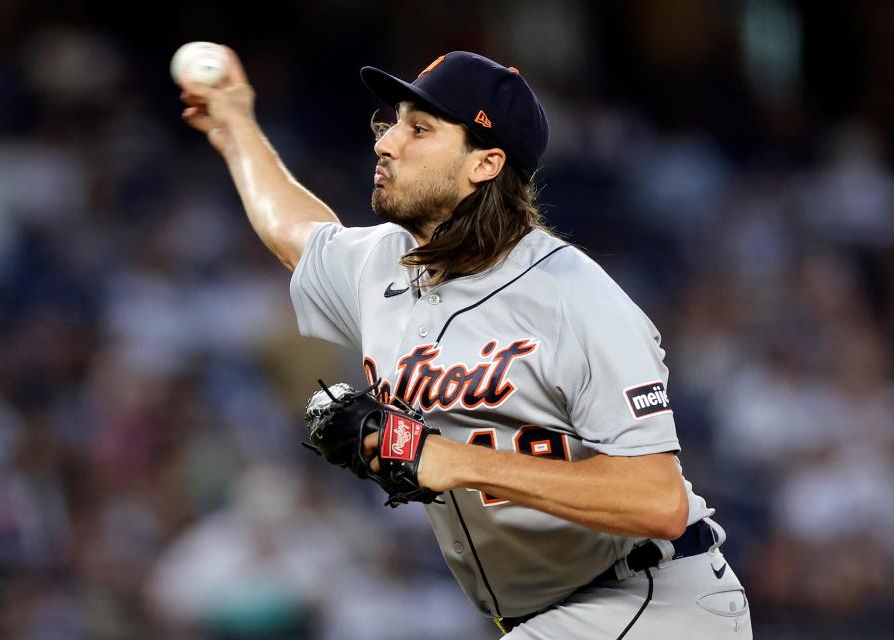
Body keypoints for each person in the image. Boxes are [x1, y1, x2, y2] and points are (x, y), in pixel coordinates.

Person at [179, 48, 753, 638]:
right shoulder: (384, 266)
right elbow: (294, 231)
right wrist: (236, 127)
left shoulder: (572, 297)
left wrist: (448, 459)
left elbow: (657, 502)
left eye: (419, 129)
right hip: (545, 615)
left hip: (652, 600)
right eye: (392, 122)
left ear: (485, 164)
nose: (386, 142)